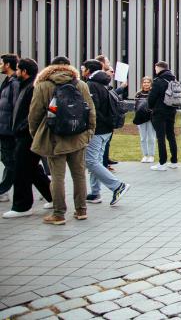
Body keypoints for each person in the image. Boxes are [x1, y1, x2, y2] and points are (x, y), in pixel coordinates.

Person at [29, 57, 95, 225]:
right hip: (78, 136)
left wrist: (36, 133)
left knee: (57, 177)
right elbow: (90, 111)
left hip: (53, 137)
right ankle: (81, 210)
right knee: (79, 175)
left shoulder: (43, 85)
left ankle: (58, 214)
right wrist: (89, 133)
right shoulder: (81, 85)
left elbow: (34, 114)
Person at [3, 59, 53, 218]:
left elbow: (36, 112)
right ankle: (53, 197)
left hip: (28, 134)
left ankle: (22, 206)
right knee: (32, 168)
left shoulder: (32, 87)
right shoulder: (26, 86)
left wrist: (22, 128)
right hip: (25, 133)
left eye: (18, 69)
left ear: (24, 72)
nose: (16, 72)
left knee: (21, 169)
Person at [81, 60, 130, 205]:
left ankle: (117, 186)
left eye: (83, 68)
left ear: (89, 70)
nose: (82, 70)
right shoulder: (103, 83)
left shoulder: (91, 85)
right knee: (96, 160)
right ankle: (95, 193)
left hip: (97, 129)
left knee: (90, 161)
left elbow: (92, 109)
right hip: (107, 129)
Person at [148, 61, 179, 170]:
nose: (155, 70)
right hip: (171, 111)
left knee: (160, 137)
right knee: (171, 135)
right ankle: (174, 161)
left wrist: (150, 107)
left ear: (159, 68)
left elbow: (151, 98)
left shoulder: (158, 81)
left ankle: (162, 162)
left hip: (159, 112)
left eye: (155, 68)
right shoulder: (173, 80)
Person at [0, 53, 20, 202]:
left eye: (1, 63)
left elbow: (15, 108)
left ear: (7, 65)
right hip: (4, 127)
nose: (0, 66)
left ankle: (3, 189)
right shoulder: (7, 81)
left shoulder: (14, 82)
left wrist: (14, 129)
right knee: (9, 159)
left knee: (10, 160)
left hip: (9, 130)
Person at [135, 76, 156, 164]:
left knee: (151, 137)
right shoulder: (138, 94)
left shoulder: (153, 93)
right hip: (141, 118)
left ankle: (151, 155)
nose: (146, 84)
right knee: (143, 138)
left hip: (151, 118)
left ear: (151, 83)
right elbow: (136, 107)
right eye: (144, 82)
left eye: (148, 82)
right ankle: (145, 155)